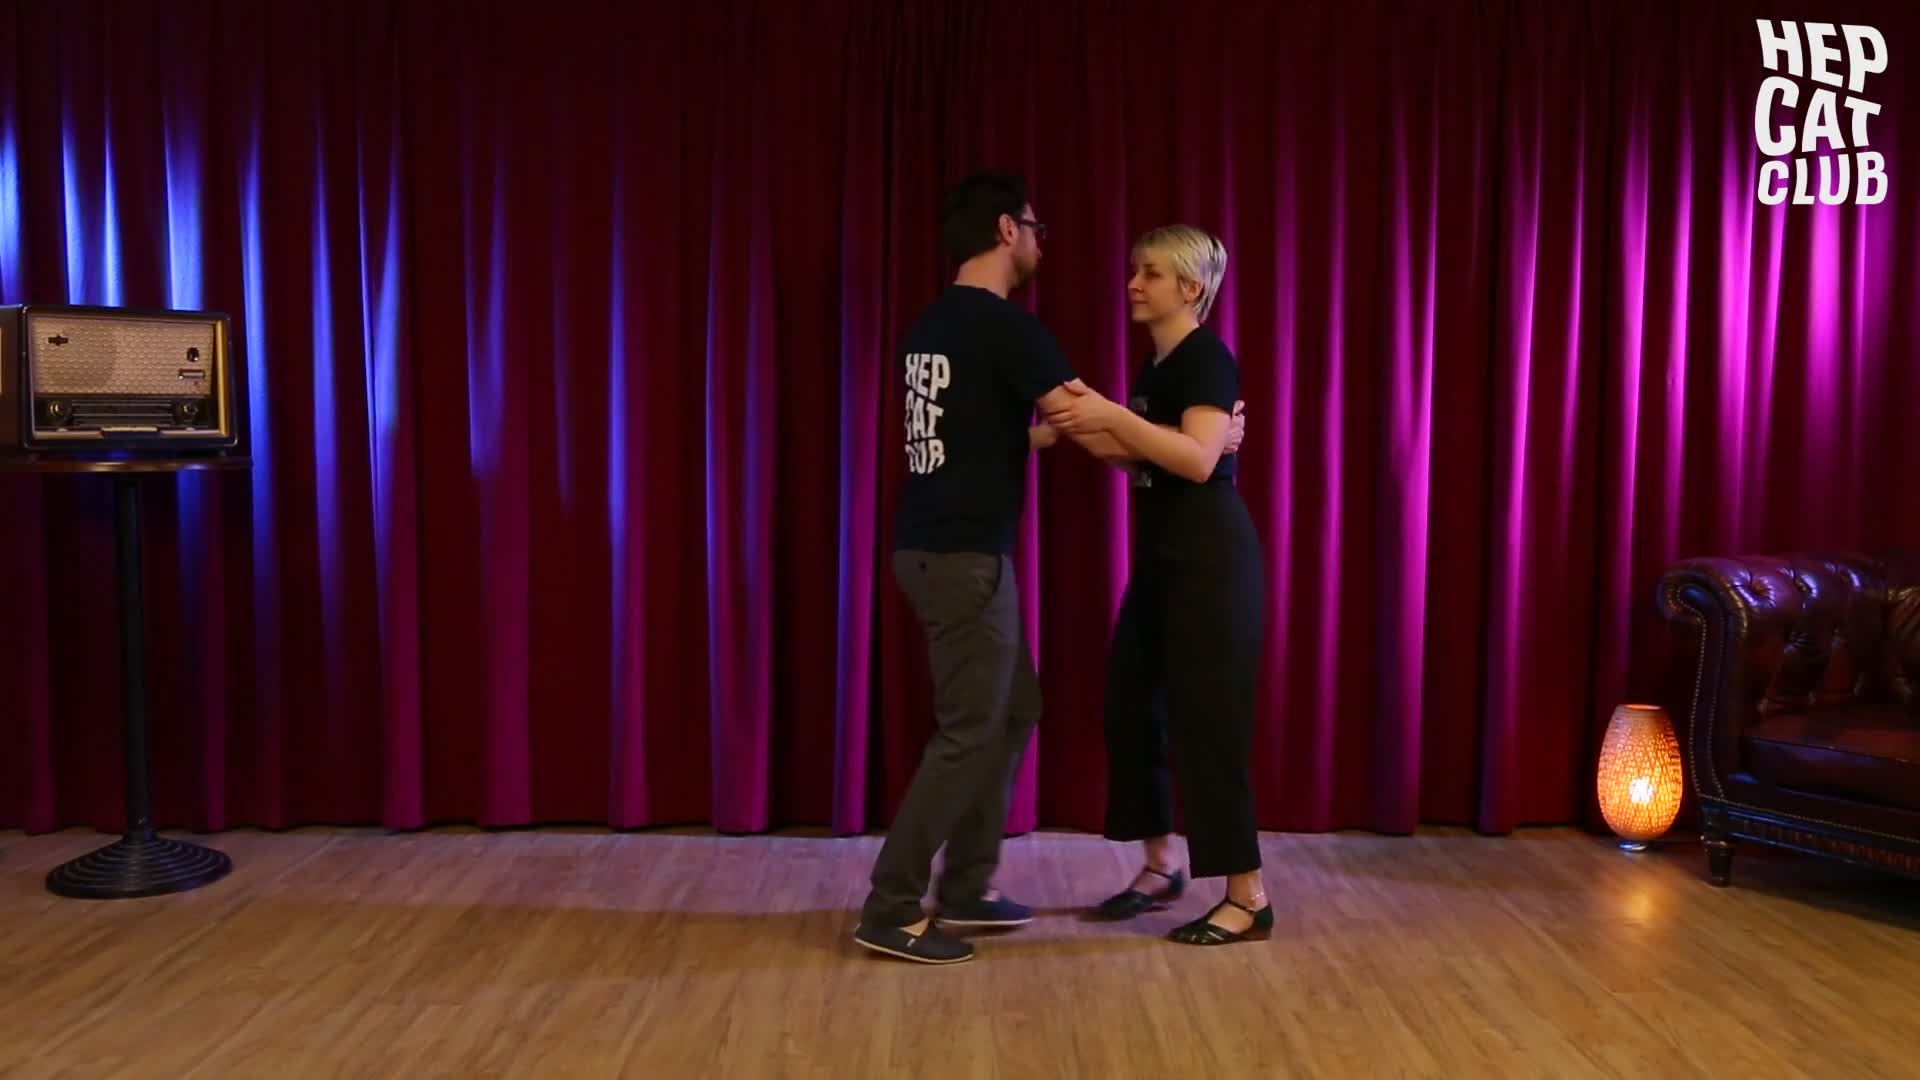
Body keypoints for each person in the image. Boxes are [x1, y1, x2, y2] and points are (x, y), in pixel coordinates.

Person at [855, 175, 1247, 965]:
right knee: (973, 727)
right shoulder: (1007, 328)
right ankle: (891, 905)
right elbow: (1088, 423)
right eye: (1035, 228)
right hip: (964, 558)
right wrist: (1196, 447)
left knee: (1012, 710)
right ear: (1008, 230)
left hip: (933, 548)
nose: (1041, 243)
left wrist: (1151, 440)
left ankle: (967, 884)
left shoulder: (934, 323)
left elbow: (975, 438)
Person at [1044, 224, 1270, 946]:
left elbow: (1198, 461)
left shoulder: (1206, 359)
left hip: (1211, 565)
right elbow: (1147, 456)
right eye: (1135, 270)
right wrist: (1079, 417)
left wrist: (1111, 414)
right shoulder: (1159, 365)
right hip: (1164, 565)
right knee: (1132, 709)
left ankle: (1248, 897)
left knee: (1210, 725)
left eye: (1150, 273)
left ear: (1190, 288)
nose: (1133, 284)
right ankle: (1159, 867)